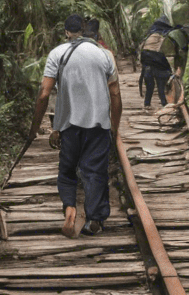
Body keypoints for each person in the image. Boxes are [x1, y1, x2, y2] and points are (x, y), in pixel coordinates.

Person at [29, 14, 122, 238]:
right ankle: (94, 220)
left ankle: (70, 207)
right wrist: (114, 128)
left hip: (69, 126)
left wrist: (37, 127)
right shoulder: (105, 55)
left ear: (66, 32)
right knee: (95, 172)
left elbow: (44, 94)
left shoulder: (57, 53)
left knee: (67, 171)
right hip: (98, 124)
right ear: (88, 31)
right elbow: (116, 94)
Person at [139, 16, 185, 109]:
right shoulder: (167, 34)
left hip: (147, 64)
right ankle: (164, 104)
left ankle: (147, 105)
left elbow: (141, 51)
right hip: (159, 63)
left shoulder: (149, 35)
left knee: (150, 87)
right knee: (161, 86)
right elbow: (171, 53)